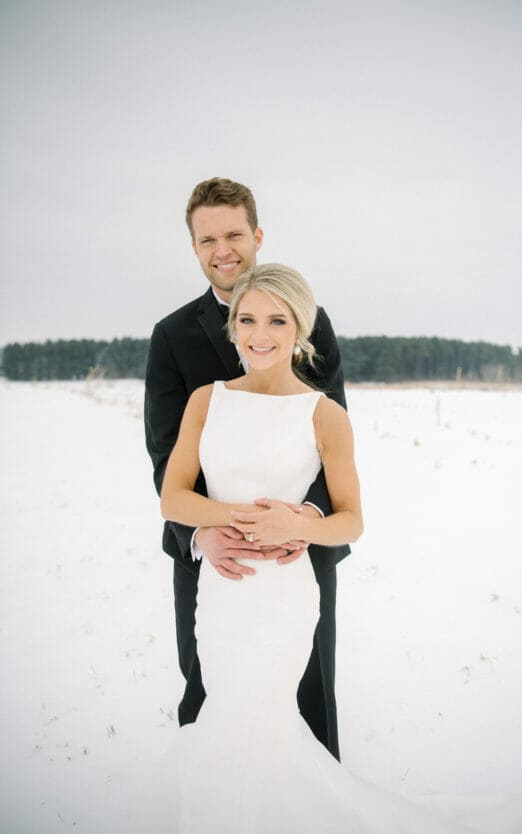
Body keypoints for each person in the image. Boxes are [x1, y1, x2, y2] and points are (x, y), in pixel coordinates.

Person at [158, 264, 478, 834]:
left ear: (301, 328)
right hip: (224, 594)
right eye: (248, 319)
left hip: (283, 596)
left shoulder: (324, 413)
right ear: (233, 327)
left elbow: (351, 521)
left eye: (277, 320)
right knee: (223, 714)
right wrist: (230, 521)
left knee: (265, 721)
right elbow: (174, 498)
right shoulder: (207, 401)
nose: (261, 333)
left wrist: (301, 525)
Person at [144, 177, 349, 759]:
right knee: (208, 699)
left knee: (308, 702)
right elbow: (166, 455)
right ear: (194, 247)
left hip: (299, 552)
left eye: (234, 233)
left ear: (257, 235)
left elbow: (329, 430)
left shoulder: (312, 319)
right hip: (209, 551)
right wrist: (201, 532)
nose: (223, 249)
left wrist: (304, 520)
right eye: (207, 239)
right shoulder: (172, 336)